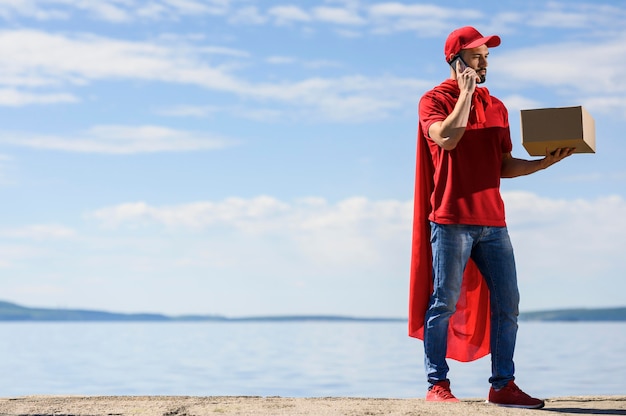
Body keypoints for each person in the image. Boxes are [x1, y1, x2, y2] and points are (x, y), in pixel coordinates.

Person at [408, 26, 574, 408]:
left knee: (508, 304)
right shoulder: (433, 100)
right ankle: (438, 385)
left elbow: (501, 164)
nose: (483, 63)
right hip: (450, 219)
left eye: (487, 57)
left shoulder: (496, 106)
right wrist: (465, 94)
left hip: (493, 223)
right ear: (456, 59)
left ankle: (502, 385)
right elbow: (446, 138)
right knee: (443, 303)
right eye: (476, 56)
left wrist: (541, 165)